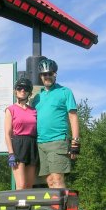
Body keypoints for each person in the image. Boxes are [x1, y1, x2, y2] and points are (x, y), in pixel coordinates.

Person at [32, 58, 80, 189]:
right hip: (40, 143)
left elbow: (73, 116)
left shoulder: (65, 92)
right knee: (49, 181)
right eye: (44, 74)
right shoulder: (37, 97)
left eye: (50, 73)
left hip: (57, 140)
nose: (47, 76)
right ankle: (54, 209)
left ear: (55, 74)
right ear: (40, 76)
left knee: (57, 179)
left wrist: (75, 142)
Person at [4, 78, 38, 190]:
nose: (22, 90)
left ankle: (29, 208)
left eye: (26, 88)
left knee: (29, 186)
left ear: (29, 92)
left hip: (32, 145)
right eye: (19, 88)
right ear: (16, 91)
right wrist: (11, 153)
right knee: (21, 185)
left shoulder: (33, 111)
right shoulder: (10, 109)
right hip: (18, 145)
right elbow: (7, 134)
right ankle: (19, 207)